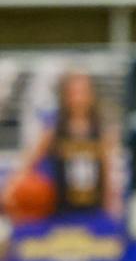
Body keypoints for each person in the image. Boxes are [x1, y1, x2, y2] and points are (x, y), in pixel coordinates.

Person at [2, 69, 122, 219]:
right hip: (60, 206)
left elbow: (107, 169)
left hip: (93, 204)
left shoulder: (101, 129)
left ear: (91, 95)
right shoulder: (54, 128)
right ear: (65, 96)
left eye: (83, 92)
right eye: (73, 92)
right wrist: (12, 185)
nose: (78, 98)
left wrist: (111, 203)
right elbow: (29, 161)